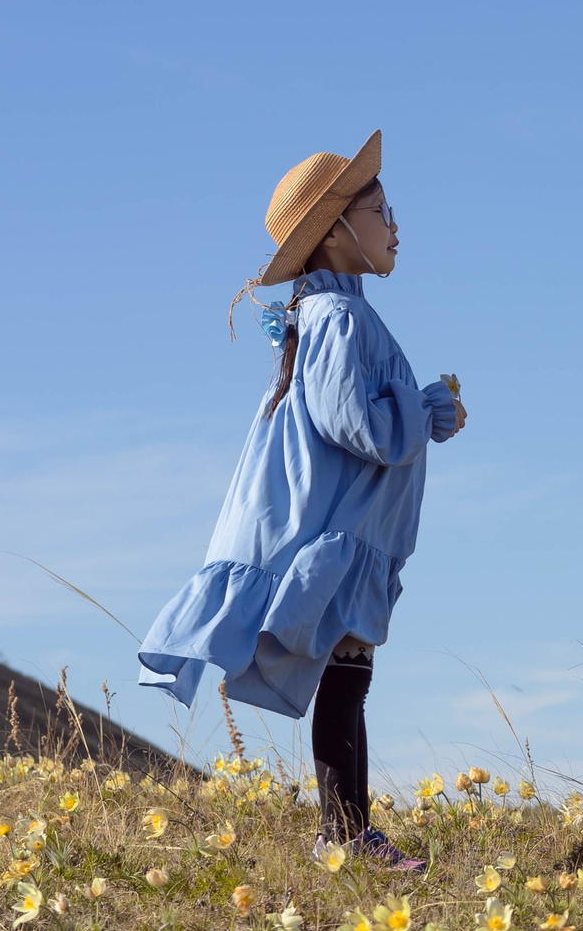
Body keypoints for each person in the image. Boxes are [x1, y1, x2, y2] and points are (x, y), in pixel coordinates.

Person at [137, 132, 463, 870]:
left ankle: (345, 830)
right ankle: (343, 833)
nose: (395, 226)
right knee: (349, 680)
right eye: (380, 211)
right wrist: (427, 408)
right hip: (341, 530)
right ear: (336, 232)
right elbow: (359, 425)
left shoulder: (326, 317)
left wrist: (422, 412)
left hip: (347, 530)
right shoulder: (341, 321)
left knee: (351, 673)